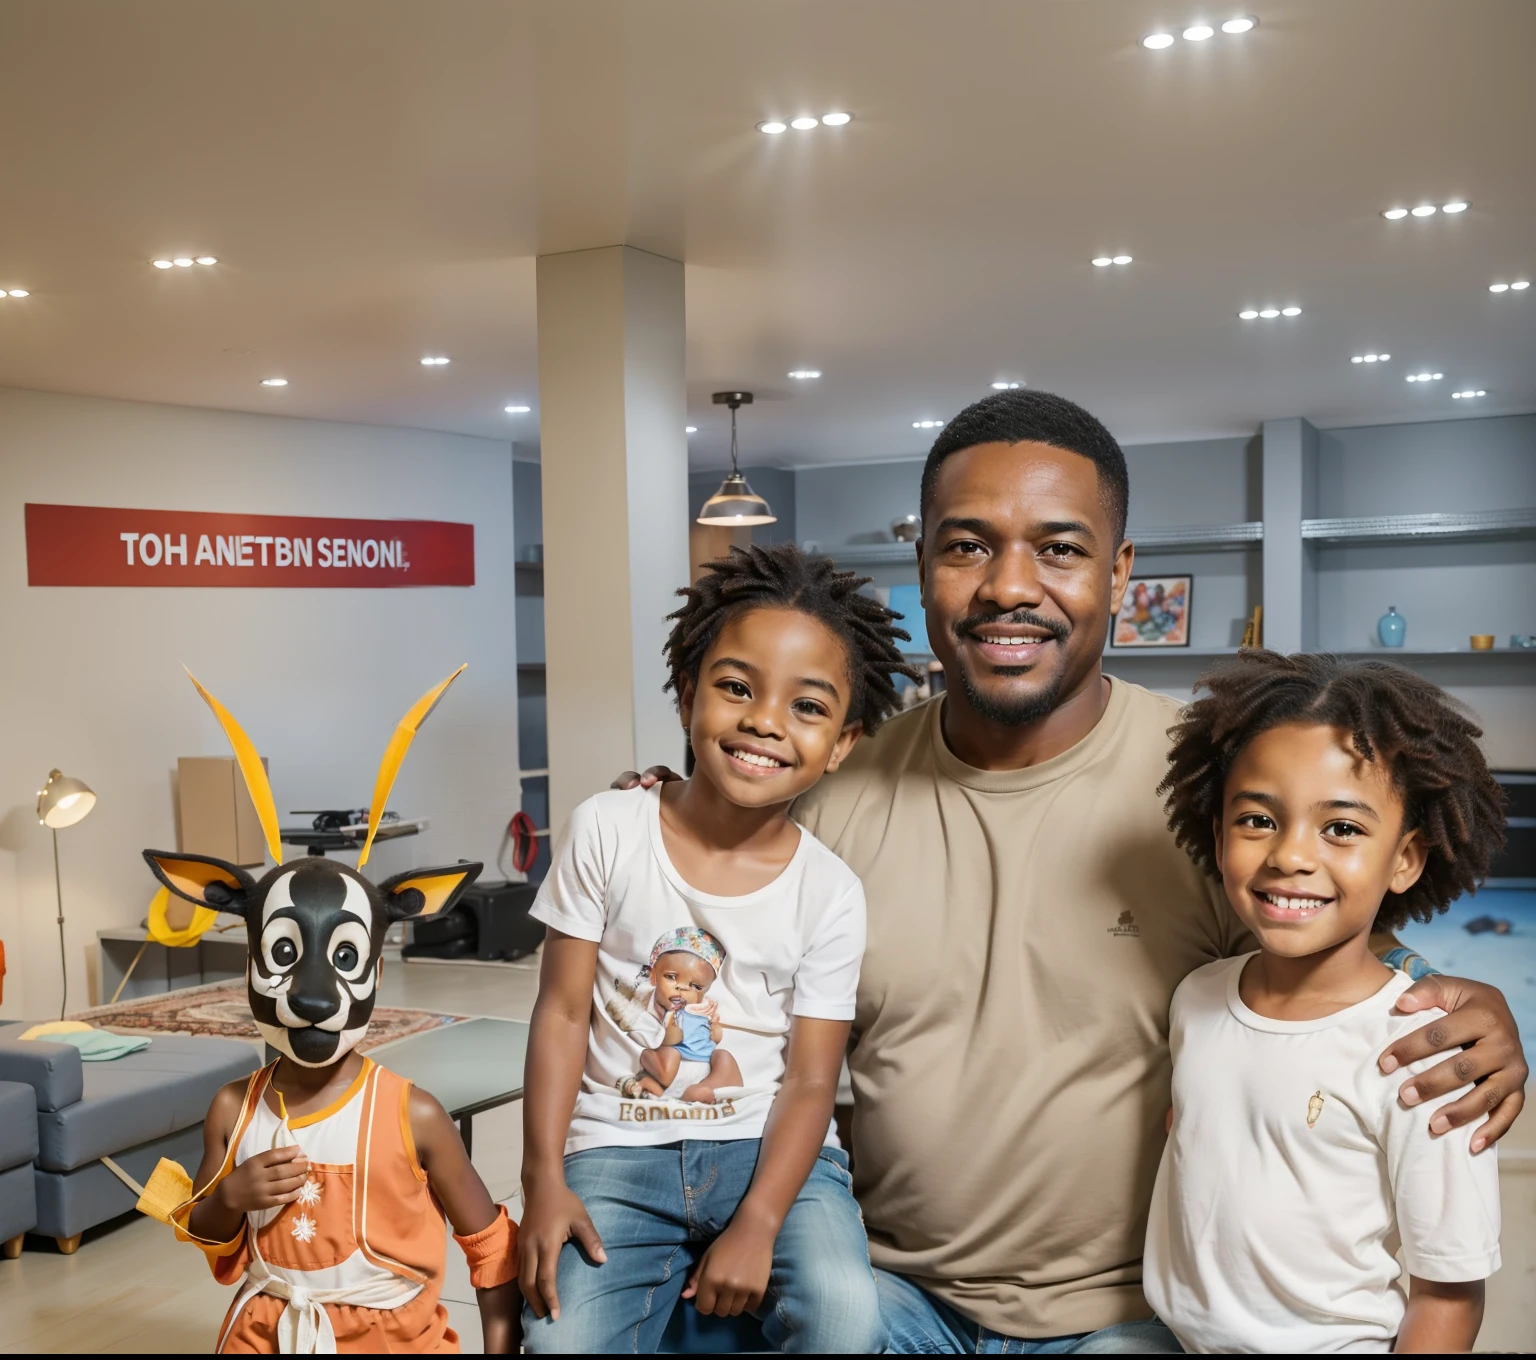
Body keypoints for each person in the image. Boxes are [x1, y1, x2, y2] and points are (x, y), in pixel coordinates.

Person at [620, 388, 1527, 1354]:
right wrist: (656, 815)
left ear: (1121, 571)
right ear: (921, 565)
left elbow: (1342, 975)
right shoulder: (830, 795)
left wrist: (1467, 1010)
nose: (1012, 586)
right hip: (888, 1298)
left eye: (1059, 548)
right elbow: (688, 968)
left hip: (1130, 1320)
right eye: (967, 545)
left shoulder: (1215, 790)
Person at [518, 545, 917, 1353]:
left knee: (845, 1316)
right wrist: (543, 1181)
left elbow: (810, 1079)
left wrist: (762, 1220)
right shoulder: (608, 828)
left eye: (807, 708)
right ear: (687, 693)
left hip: (769, 1156)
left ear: (842, 744)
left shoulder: (831, 890)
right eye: (737, 687)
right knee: (560, 1342)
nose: (765, 721)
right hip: (617, 1150)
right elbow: (560, 1014)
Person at [138, 669, 519, 1354]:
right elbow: (207, 1232)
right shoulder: (232, 1109)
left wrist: (500, 1340)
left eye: (345, 960)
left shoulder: (416, 1115)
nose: (312, 993)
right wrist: (231, 1196)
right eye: (282, 951)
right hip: (266, 1335)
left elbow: (489, 1240)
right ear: (252, 958)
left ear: (373, 968)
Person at [1146, 652, 1504, 1352]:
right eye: (1256, 820)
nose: (1289, 856)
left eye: (1341, 828)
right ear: (1217, 836)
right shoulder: (1197, 997)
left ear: (1405, 858)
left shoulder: (1425, 1054)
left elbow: (1448, 1297)